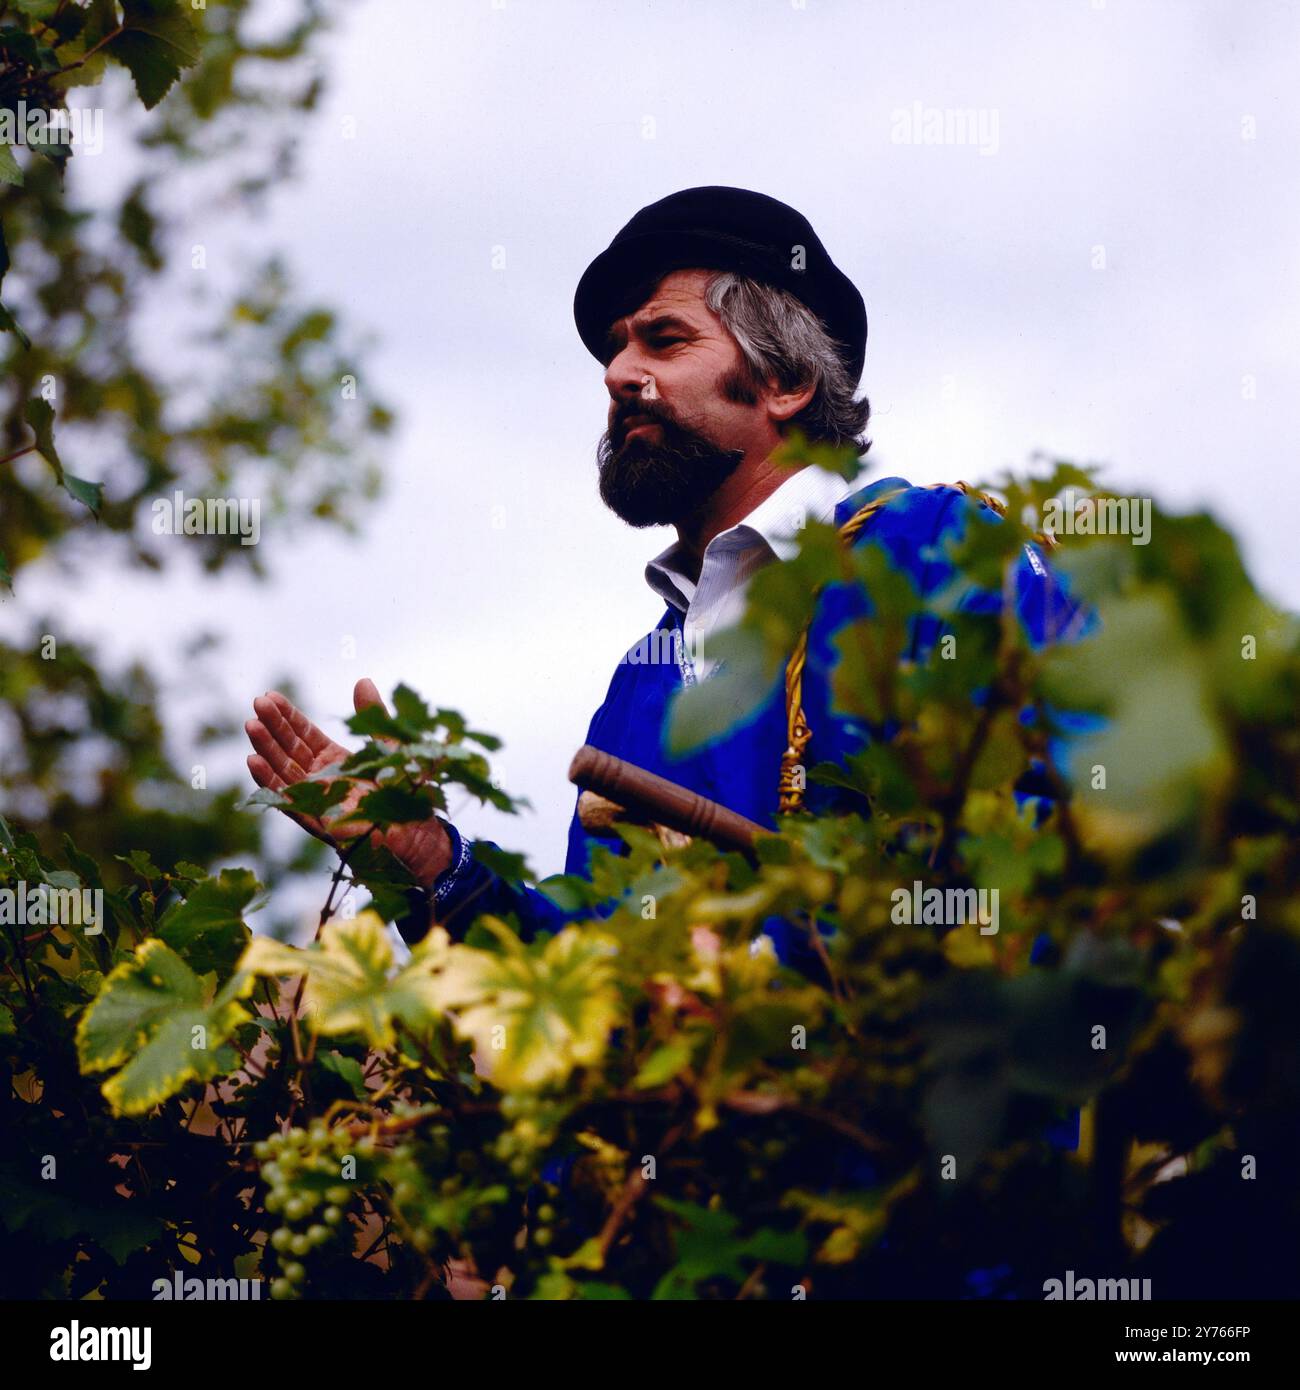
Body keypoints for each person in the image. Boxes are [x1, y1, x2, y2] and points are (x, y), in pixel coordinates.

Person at [245, 186, 1087, 963]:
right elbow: (586, 996)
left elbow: (1066, 832)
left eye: (664, 339)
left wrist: (770, 980)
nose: (616, 375)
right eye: (616, 350)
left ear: (787, 381)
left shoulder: (930, 545)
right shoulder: (637, 688)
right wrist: (424, 858)